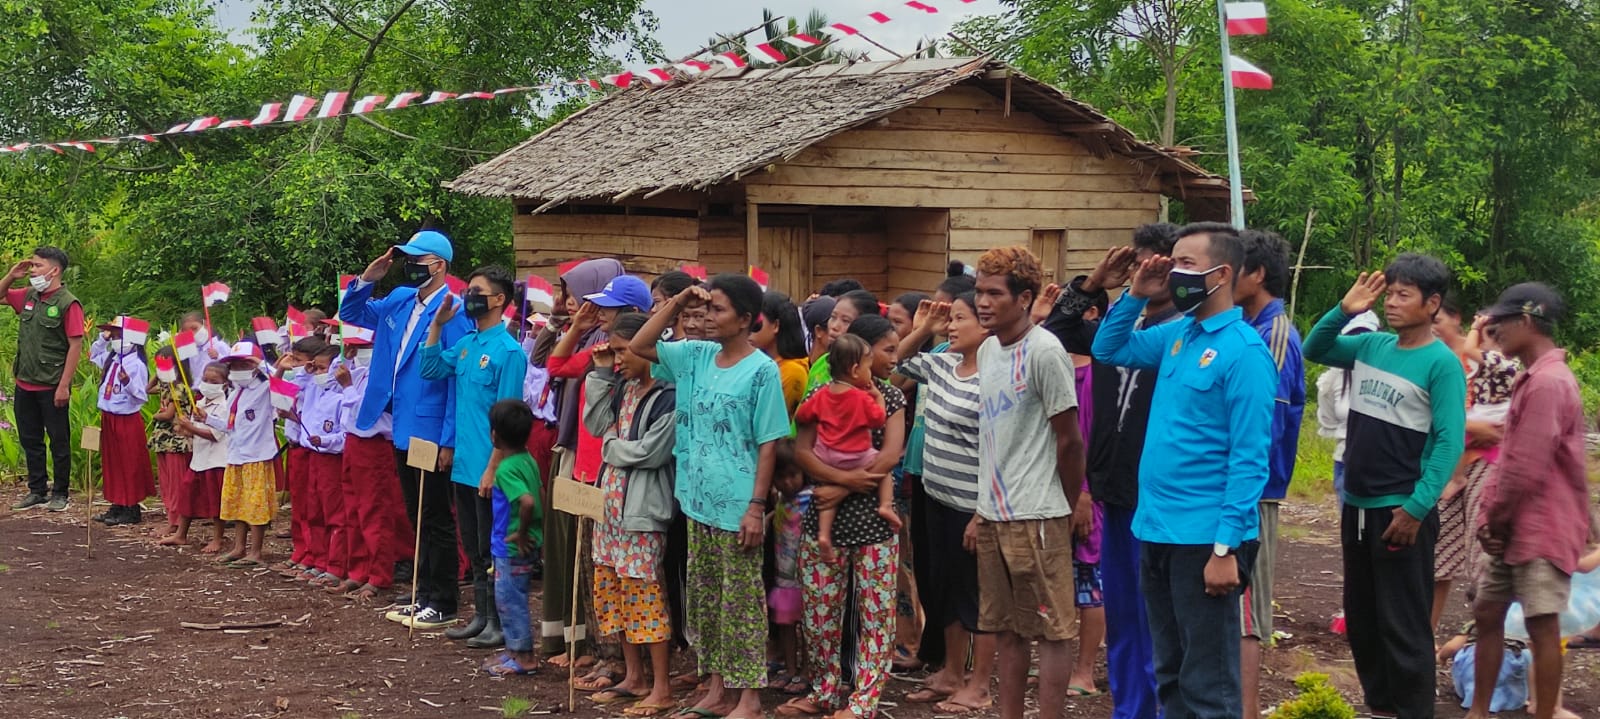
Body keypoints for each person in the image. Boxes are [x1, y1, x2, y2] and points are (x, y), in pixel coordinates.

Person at [1091, 223, 1276, 719]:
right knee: (1169, 670)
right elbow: (1109, 351)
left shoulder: (1245, 352)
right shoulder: (1178, 334)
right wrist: (1133, 295)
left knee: (1208, 682)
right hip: (1155, 528)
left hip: (1204, 539)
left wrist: (1224, 549)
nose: (1173, 272)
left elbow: (1250, 458)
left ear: (1222, 274)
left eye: (1186, 265)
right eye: (1172, 262)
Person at [1303, 253, 1467, 719]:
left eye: (1403, 295)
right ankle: (1381, 707)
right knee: (1364, 619)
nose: (1391, 303)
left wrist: (1417, 508)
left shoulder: (1441, 364)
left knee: (1404, 625)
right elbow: (1316, 348)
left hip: (1400, 511)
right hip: (1356, 505)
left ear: (1432, 303)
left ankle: (1414, 710)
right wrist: (1345, 309)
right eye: (1389, 293)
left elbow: (1448, 441)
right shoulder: (1372, 346)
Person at [629, 273, 789, 719]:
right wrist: (678, 300)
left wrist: (757, 507)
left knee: (741, 603)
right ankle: (717, 687)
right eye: (706, 308)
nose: (708, 317)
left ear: (745, 319)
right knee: (705, 598)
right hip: (696, 499)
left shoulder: (761, 371)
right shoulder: (696, 356)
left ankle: (750, 699)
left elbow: (768, 442)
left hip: (738, 505)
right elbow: (640, 346)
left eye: (718, 310)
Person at [1039, 224, 1179, 719]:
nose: (1151, 271)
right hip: (1111, 493)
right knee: (1123, 615)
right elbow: (1053, 333)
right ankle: (1130, 710)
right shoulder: (1117, 330)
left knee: (1157, 618)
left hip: (1158, 497)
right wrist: (1093, 284)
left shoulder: (1183, 335)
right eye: (1141, 262)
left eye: (1163, 262)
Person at [969, 246, 1085, 719]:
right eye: (978, 291)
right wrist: (981, 509)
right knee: (1006, 629)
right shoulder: (987, 349)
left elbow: (1070, 440)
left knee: (1053, 629)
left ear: (1024, 298)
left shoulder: (1045, 352)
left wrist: (1066, 502)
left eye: (994, 293)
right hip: (995, 515)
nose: (982, 302)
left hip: (1037, 513)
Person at [1466, 283, 1589, 719]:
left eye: (1502, 320)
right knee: (1487, 611)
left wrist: (1493, 522)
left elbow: (1526, 469)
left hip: (1538, 523)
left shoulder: (1549, 384)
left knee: (1541, 624)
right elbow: (1511, 458)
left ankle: (1542, 713)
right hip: (1513, 521)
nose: (1492, 328)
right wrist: (1491, 520)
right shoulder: (1530, 377)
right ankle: (1478, 710)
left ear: (1528, 321)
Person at [341, 230, 473, 631]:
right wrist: (367, 279)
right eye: (407, 259)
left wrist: (448, 437)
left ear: (440, 265)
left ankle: (444, 599)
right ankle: (424, 588)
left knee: (435, 512)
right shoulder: (398, 298)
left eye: (419, 260)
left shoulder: (455, 310)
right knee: (415, 510)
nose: (411, 266)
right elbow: (352, 314)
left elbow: (455, 377)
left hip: (431, 425)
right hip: (398, 421)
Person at [784, 314, 906, 719]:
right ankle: (824, 689)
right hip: (827, 519)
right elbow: (802, 451)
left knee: (876, 613)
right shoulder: (819, 391)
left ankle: (865, 699)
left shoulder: (890, 397)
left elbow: (891, 453)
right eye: (886, 350)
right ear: (858, 357)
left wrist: (840, 485)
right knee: (820, 612)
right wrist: (843, 481)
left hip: (873, 519)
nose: (893, 358)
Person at [893, 293, 994, 713]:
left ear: (986, 326)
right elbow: (891, 364)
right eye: (949, 320)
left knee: (978, 597)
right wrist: (923, 330)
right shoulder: (943, 364)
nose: (951, 327)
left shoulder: (995, 375)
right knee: (945, 589)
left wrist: (981, 513)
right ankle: (952, 672)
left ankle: (981, 685)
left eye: (959, 320)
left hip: (972, 505)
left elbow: (999, 450)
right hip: (936, 495)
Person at [421, 265, 529, 648]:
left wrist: (493, 467)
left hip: (491, 469)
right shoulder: (467, 343)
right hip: (465, 466)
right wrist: (437, 326)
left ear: (499, 300)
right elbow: (431, 367)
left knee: (493, 548)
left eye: (477, 291)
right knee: (473, 546)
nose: (469, 296)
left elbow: (511, 419)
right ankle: (482, 616)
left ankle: (500, 621)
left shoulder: (509, 351)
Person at [581, 312, 678, 716]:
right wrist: (600, 375)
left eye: (622, 351)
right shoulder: (623, 387)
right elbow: (595, 422)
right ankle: (633, 677)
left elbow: (651, 452)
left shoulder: (669, 396)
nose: (617, 358)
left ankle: (662, 686)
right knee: (615, 593)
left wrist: (611, 447)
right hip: (612, 509)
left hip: (641, 512)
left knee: (645, 596)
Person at [538, 257, 624, 665]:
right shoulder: (589, 339)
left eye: (579, 295)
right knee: (571, 549)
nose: (573, 301)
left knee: (591, 554)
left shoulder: (613, 347)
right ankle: (574, 640)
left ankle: (597, 647)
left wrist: (580, 330)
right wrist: (569, 325)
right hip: (573, 448)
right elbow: (549, 362)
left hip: (599, 457)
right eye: (570, 294)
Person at [1234, 229, 1306, 718]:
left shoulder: (1274, 335)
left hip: (1253, 492)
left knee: (1247, 612)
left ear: (1257, 275)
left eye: (1232, 265)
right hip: (1238, 489)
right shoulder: (1248, 328)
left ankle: (1247, 710)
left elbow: (1266, 422)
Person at [1431, 302, 1519, 631]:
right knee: (1439, 551)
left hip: (1485, 459)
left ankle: (1484, 631)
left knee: (1478, 546)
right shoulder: (1443, 360)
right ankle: (1430, 630)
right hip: (1457, 454)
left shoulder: (1495, 362)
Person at [794, 334, 897, 561]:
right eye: (868, 368)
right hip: (857, 456)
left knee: (827, 496)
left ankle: (823, 534)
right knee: (886, 470)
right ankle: (886, 505)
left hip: (826, 456)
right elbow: (878, 420)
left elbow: (801, 416)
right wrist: (878, 398)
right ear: (855, 370)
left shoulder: (820, 394)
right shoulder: (861, 398)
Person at [6, 247, 84, 512]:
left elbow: (75, 345)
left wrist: (64, 386)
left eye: (38, 266)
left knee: (59, 440)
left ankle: (60, 493)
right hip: (25, 380)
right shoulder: (29, 295)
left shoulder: (67, 303)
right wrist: (10, 276)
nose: (32, 271)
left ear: (55, 270)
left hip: (51, 384)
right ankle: (37, 490)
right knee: (30, 440)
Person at [332, 326, 406, 601]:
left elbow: (368, 410)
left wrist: (348, 386)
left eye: (359, 348)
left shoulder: (387, 375)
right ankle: (358, 569)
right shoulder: (359, 371)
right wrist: (347, 364)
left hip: (375, 446)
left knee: (375, 512)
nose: (354, 353)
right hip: (354, 443)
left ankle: (379, 575)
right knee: (353, 510)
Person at [479, 399, 545, 677]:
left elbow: (527, 501)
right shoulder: (527, 459)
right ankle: (513, 650)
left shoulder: (505, 470)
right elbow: (541, 492)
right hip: (530, 540)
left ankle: (524, 657)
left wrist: (520, 532)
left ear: (494, 436)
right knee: (512, 596)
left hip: (511, 545)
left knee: (509, 599)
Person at [206, 342, 280, 566]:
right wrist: (206, 419)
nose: (237, 371)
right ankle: (239, 547)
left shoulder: (266, 388)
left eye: (243, 365)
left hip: (256, 455)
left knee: (256, 505)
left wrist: (260, 363)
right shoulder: (235, 393)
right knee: (238, 503)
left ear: (255, 367)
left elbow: (283, 380)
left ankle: (256, 551)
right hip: (236, 454)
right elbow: (230, 425)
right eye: (234, 366)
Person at [88, 317, 156, 525]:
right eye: (113, 335)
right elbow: (93, 355)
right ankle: (117, 502)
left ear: (132, 338)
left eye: (118, 335)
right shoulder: (113, 358)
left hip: (126, 419)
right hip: (109, 416)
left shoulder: (136, 365)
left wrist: (127, 383)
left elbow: (140, 397)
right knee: (113, 462)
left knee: (129, 462)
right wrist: (103, 338)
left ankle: (131, 507)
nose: (114, 339)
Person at [1314, 311, 1381, 506]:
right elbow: (1327, 417)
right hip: (1345, 458)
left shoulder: (1389, 373)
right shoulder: (1334, 377)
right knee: (1349, 528)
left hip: (1380, 462)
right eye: (1354, 336)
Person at [297, 342, 349, 589]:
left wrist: (325, 440)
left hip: (331, 458)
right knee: (314, 511)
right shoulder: (314, 392)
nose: (317, 373)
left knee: (334, 514)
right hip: (312, 457)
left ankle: (336, 565)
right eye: (314, 368)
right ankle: (318, 560)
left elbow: (345, 436)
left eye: (321, 368)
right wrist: (305, 370)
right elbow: (298, 387)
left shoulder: (341, 398)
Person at [172, 362, 230, 553]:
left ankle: (218, 538)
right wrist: (184, 429)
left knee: (215, 502)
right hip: (199, 459)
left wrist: (190, 428)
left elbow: (215, 435)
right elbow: (195, 432)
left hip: (216, 460)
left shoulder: (224, 406)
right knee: (188, 494)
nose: (207, 384)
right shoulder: (200, 402)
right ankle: (181, 534)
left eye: (213, 381)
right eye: (205, 380)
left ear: (225, 384)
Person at [149, 346, 193, 541]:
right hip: (163, 440)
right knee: (166, 483)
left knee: (176, 485)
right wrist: (157, 376)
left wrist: (154, 415)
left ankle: (175, 522)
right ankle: (171, 518)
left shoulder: (179, 388)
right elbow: (148, 389)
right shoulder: (167, 387)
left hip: (175, 441)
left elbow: (167, 415)